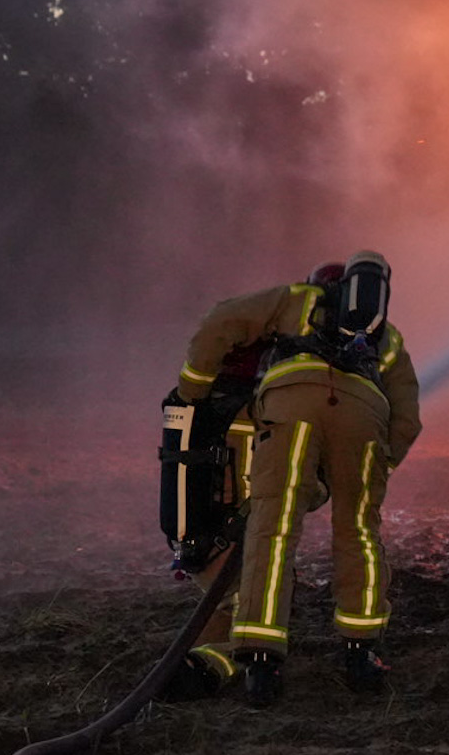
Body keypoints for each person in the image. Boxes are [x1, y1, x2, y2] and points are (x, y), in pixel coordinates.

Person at [170, 251, 422, 706]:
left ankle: (261, 660)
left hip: (291, 406)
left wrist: (193, 391)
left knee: (272, 527)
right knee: (359, 530)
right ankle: (361, 653)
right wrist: (378, 464)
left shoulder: (297, 299)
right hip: (363, 417)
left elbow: (221, 321)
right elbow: (407, 419)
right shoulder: (387, 337)